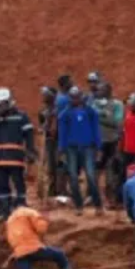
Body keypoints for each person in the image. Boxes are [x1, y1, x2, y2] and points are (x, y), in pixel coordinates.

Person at [0, 87, 37, 219]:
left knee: (18, 182)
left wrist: (30, 150)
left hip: (15, 158)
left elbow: (29, 134)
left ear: (6, 103)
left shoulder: (21, 116)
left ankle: (21, 205)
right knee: (2, 185)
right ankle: (5, 210)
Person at [58, 87, 103, 215]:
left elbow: (96, 130)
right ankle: (78, 206)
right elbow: (62, 132)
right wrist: (61, 149)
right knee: (73, 177)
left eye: (77, 97)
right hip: (71, 148)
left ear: (81, 96)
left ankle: (98, 205)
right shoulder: (66, 114)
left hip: (88, 147)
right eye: (72, 97)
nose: (75, 100)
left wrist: (98, 147)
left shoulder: (90, 112)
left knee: (90, 176)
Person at [91, 82, 125, 206]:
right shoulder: (94, 104)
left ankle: (111, 198)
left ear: (108, 91)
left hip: (112, 142)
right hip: (98, 142)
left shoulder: (117, 104)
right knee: (95, 170)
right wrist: (105, 116)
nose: (98, 92)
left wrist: (100, 116)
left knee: (111, 171)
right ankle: (93, 197)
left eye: (101, 90)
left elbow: (117, 122)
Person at [37, 86, 65, 198]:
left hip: (59, 140)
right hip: (49, 141)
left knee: (59, 165)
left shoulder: (59, 110)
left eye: (46, 94)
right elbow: (42, 126)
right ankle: (52, 190)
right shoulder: (43, 112)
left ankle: (60, 189)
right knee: (50, 166)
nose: (43, 97)